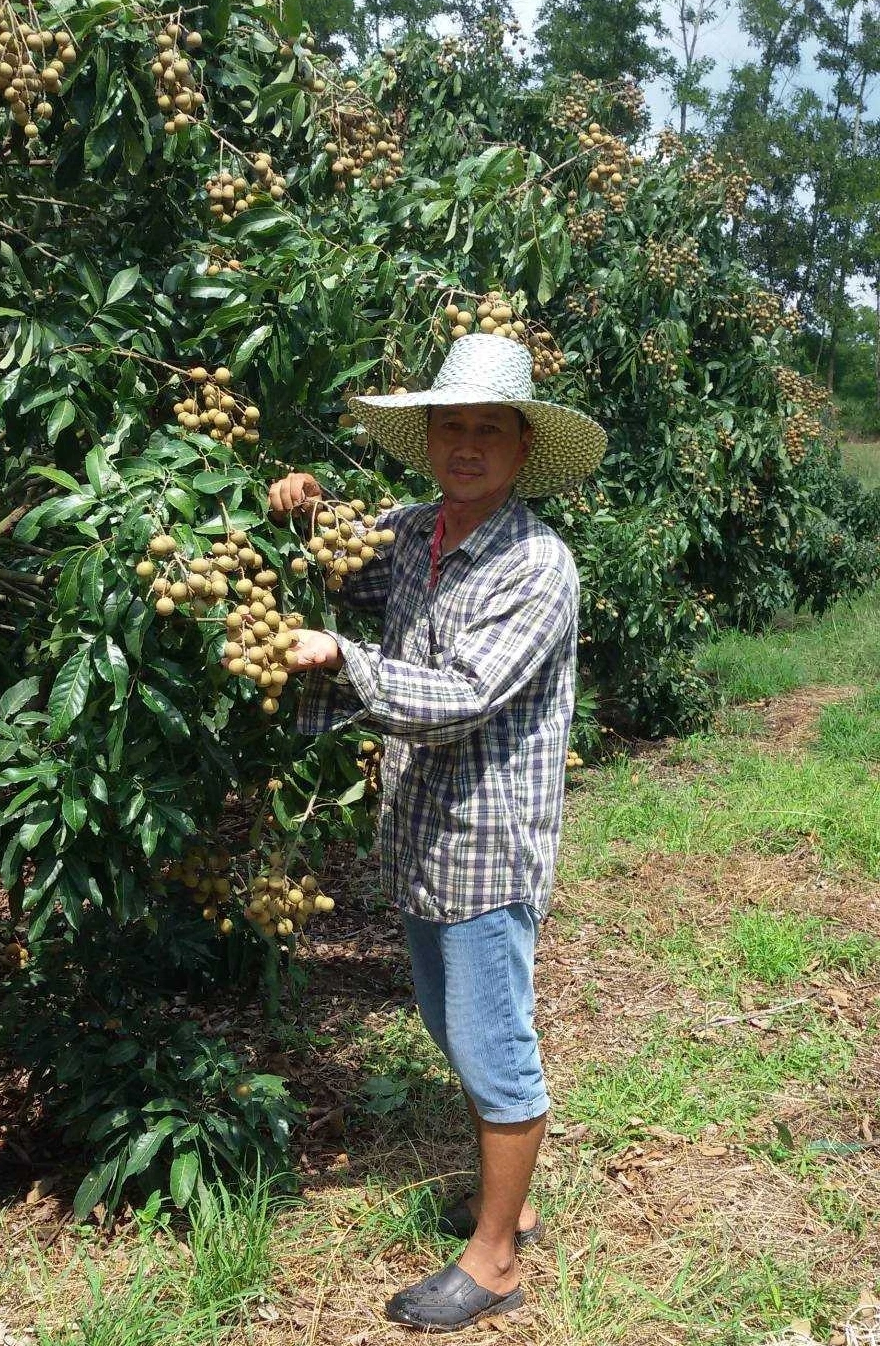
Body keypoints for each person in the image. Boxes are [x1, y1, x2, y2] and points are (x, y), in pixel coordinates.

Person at [268, 332, 606, 1333]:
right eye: (451, 426)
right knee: (454, 1031)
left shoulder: (537, 566)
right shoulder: (418, 530)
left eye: (486, 429)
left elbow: (463, 698)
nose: (467, 444)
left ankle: (496, 1258)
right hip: (421, 834)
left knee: (496, 1047)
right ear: (431, 440)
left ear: (519, 447)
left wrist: (339, 657)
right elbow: (338, 566)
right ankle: (511, 1198)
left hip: (487, 844)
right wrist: (304, 511)